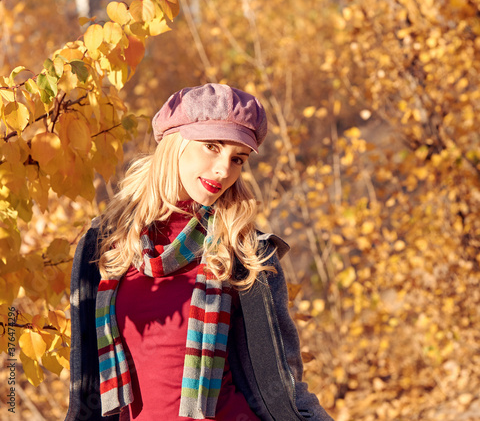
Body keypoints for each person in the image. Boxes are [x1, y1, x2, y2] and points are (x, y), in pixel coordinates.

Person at [65, 83, 334, 421]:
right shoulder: (106, 244)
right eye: (211, 146)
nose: (224, 170)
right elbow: (85, 381)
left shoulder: (244, 250)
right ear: (175, 143)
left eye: (238, 159)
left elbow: (284, 381)